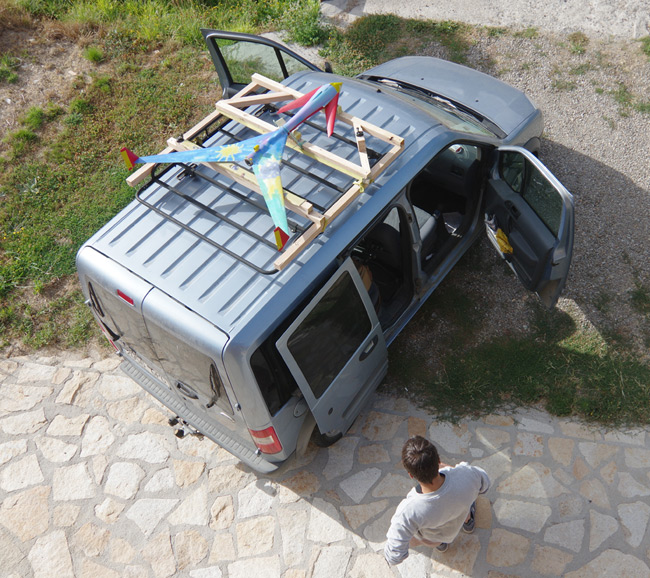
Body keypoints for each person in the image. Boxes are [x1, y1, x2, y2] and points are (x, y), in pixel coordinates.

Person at [384, 435, 490, 565]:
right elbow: (485, 484)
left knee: (427, 538)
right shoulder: (466, 474)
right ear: (438, 460)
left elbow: (393, 557)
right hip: (459, 516)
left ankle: (441, 544)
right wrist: (450, 470)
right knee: (465, 503)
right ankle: (468, 522)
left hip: (433, 537)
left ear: (411, 475)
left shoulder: (408, 512)